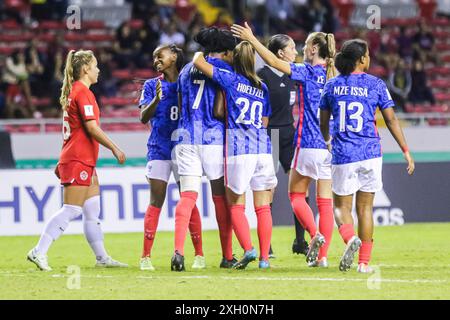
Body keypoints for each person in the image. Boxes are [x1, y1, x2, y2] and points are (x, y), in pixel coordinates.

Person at [232, 23, 336, 267]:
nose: (299, 48)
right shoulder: (335, 76)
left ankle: (313, 234)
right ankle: (322, 257)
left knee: (296, 194)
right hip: (329, 147)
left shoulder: (306, 73)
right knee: (325, 203)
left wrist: (252, 39)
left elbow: (273, 60)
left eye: (303, 45)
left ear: (313, 49)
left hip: (305, 142)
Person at [319, 39, 415, 273]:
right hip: (371, 152)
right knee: (366, 209)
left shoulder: (331, 86)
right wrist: (405, 150)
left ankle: (350, 239)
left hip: (344, 153)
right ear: (361, 59)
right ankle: (363, 264)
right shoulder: (376, 84)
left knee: (341, 207)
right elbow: (391, 119)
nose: (370, 58)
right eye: (368, 55)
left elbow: (323, 122)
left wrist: (328, 141)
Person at [27, 50, 128, 271]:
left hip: (81, 160)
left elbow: (73, 131)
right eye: (95, 65)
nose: (98, 69)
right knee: (72, 209)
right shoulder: (82, 93)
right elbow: (91, 128)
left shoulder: (76, 92)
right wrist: (115, 148)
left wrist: (63, 159)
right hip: (78, 160)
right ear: (85, 69)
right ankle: (39, 251)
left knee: (92, 209)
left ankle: (101, 258)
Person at [193, 41, 277, 269]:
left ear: (234, 59)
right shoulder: (263, 87)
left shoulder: (230, 79)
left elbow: (197, 61)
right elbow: (265, 122)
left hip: (240, 150)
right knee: (263, 208)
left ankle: (248, 249)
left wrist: (205, 44)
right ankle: (265, 259)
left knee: (236, 205)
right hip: (264, 149)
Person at [171, 27, 238, 271]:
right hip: (212, 139)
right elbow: (224, 107)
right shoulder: (224, 70)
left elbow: (181, 105)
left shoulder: (186, 69)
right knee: (220, 198)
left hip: (185, 137)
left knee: (188, 196)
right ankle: (227, 255)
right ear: (226, 52)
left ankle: (178, 252)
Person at [138, 44, 205, 271]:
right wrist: (155, 100)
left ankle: (199, 254)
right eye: (154, 56)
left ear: (174, 56)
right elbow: (142, 117)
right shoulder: (151, 85)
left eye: (160, 55)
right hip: (158, 148)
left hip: (183, 148)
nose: (156, 59)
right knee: (156, 201)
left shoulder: (187, 82)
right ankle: (145, 257)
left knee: (188, 200)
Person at [256, 34, 308, 256]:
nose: (295, 52)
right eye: (292, 48)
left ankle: (300, 241)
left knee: (301, 188)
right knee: (269, 190)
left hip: (289, 133)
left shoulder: (294, 75)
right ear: (279, 53)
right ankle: (266, 245)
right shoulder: (261, 76)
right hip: (269, 135)